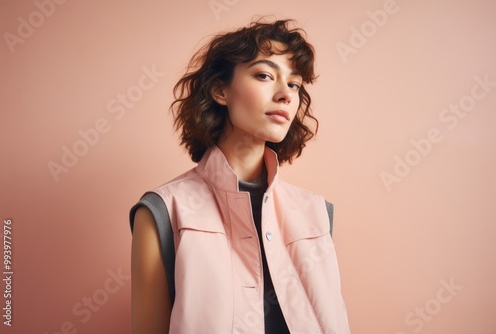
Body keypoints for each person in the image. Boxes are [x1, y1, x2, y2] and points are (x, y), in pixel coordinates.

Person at [130, 19, 350, 334]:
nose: (286, 95)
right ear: (221, 90)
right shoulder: (163, 212)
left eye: (295, 84)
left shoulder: (318, 212)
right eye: (264, 75)